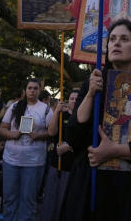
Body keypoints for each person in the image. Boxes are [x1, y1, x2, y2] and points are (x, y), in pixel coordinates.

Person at [60, 18, 131, 220]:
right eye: (112, 39)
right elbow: (73, 137)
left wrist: (115, 151)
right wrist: (91, 94)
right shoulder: (92, 84)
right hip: (91, 189)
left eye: (124, 39)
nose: (116, 43)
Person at [0, 77, 51, 221]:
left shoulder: (45, 109)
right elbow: (2, 129)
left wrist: (39, 135)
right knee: (9, 199)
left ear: (39, 91)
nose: (32, 91)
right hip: (11, 160)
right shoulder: (15, 106)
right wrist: (12, 134)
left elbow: (52, 132)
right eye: (30, 88)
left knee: (28, 202)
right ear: (25, 90)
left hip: (34, 162)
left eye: (35, 88)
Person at [40, 88, 78, 221]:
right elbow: (51, 132)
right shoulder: (62, 115)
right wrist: (56, 111)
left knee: (66, 201)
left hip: (72, 167)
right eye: (72, 98)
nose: (74, 101)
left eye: (76, 99)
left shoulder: (83, 118)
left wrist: (69, 147)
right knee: (51, 199)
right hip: (56, 163)